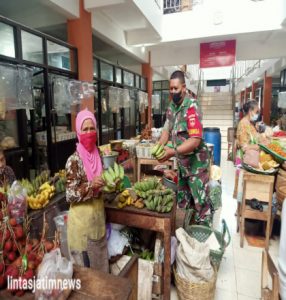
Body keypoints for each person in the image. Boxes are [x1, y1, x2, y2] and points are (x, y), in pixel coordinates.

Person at [157, 70, 212, 226]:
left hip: (196, 166)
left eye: (176, 88)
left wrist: (172, 152)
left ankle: (202, 236)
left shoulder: (192, 107)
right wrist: (159, 147)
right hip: (182, 165)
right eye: (171, 88)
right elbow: (166, 131)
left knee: (200, 203)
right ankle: (187, 232)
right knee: (184, 202)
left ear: (184, 87)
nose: (173, 91)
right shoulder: (171, 107)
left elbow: (195, 140)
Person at [65, 109, 108, 272]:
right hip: (81, 229)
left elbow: (101, 185)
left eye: (92, 128)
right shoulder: (73, 160)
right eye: (85, 129)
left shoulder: (100, 155)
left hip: (97, 224)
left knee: (102, 277)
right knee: (86, 279)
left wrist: (110, 184)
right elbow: (69, 194)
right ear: (78, 132)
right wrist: (91, 185)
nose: (89, 132)